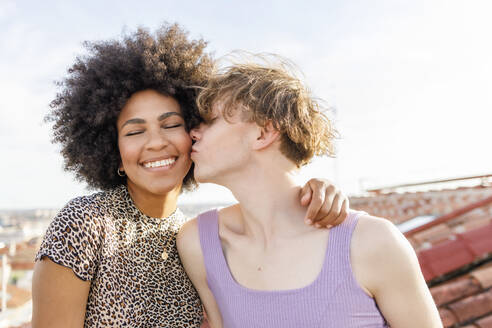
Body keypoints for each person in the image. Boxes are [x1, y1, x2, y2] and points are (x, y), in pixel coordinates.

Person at [32, 25, 348, 327]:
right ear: (113, 151)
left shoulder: (198, 237)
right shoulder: (85, 223)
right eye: (135, 131)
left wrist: (311, 191)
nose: (156, 142)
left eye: (171, 125)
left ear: (194, 136)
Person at [177, 56, 443, 328]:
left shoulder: (373, 243)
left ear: (263, 133)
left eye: (210, 120)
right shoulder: (198, 243)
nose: (194, 133)